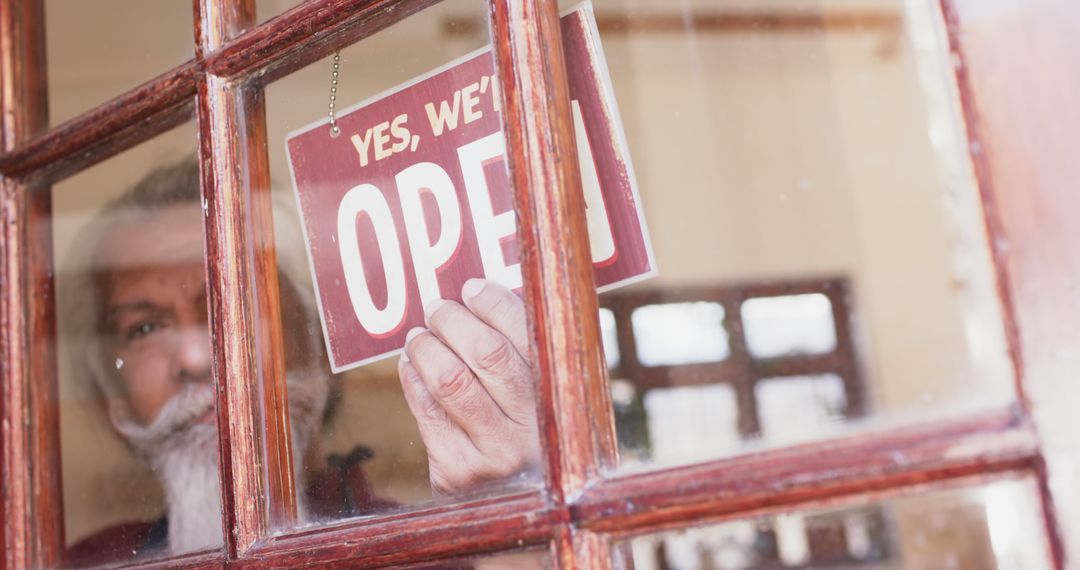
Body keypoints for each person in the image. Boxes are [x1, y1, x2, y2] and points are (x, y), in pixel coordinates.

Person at [63, 157, 540, 564]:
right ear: (113, 397)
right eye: (144, 329)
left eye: (232, 302)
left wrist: (519, 539)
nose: (192, 357)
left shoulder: (439, 558)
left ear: (318, 340)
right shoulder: (85, 564)